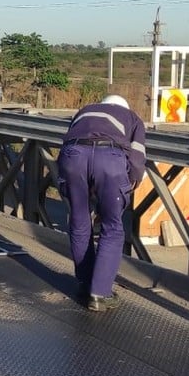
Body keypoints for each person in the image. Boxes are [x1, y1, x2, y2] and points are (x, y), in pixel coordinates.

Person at [57, 94, 146, 312]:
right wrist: (134, 179)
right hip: (110, 159)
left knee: (79, 221)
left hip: (73, 156)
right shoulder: (132, 117)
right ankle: (100, 293)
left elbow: (68, 139)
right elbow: (137, 155)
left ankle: (85, 283)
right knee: (112, 226)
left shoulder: (84, 110)